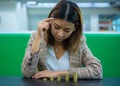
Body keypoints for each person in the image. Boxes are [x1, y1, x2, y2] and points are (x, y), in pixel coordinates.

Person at [21, 0, 102, 79]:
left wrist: (59, 73)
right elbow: (27, 73)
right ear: (50, 20)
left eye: (67, 30)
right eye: (56, 27)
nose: (60, 34)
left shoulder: (79, 42)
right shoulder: (37, 37)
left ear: (75, 28)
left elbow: (97, 70)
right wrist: (38, 38)